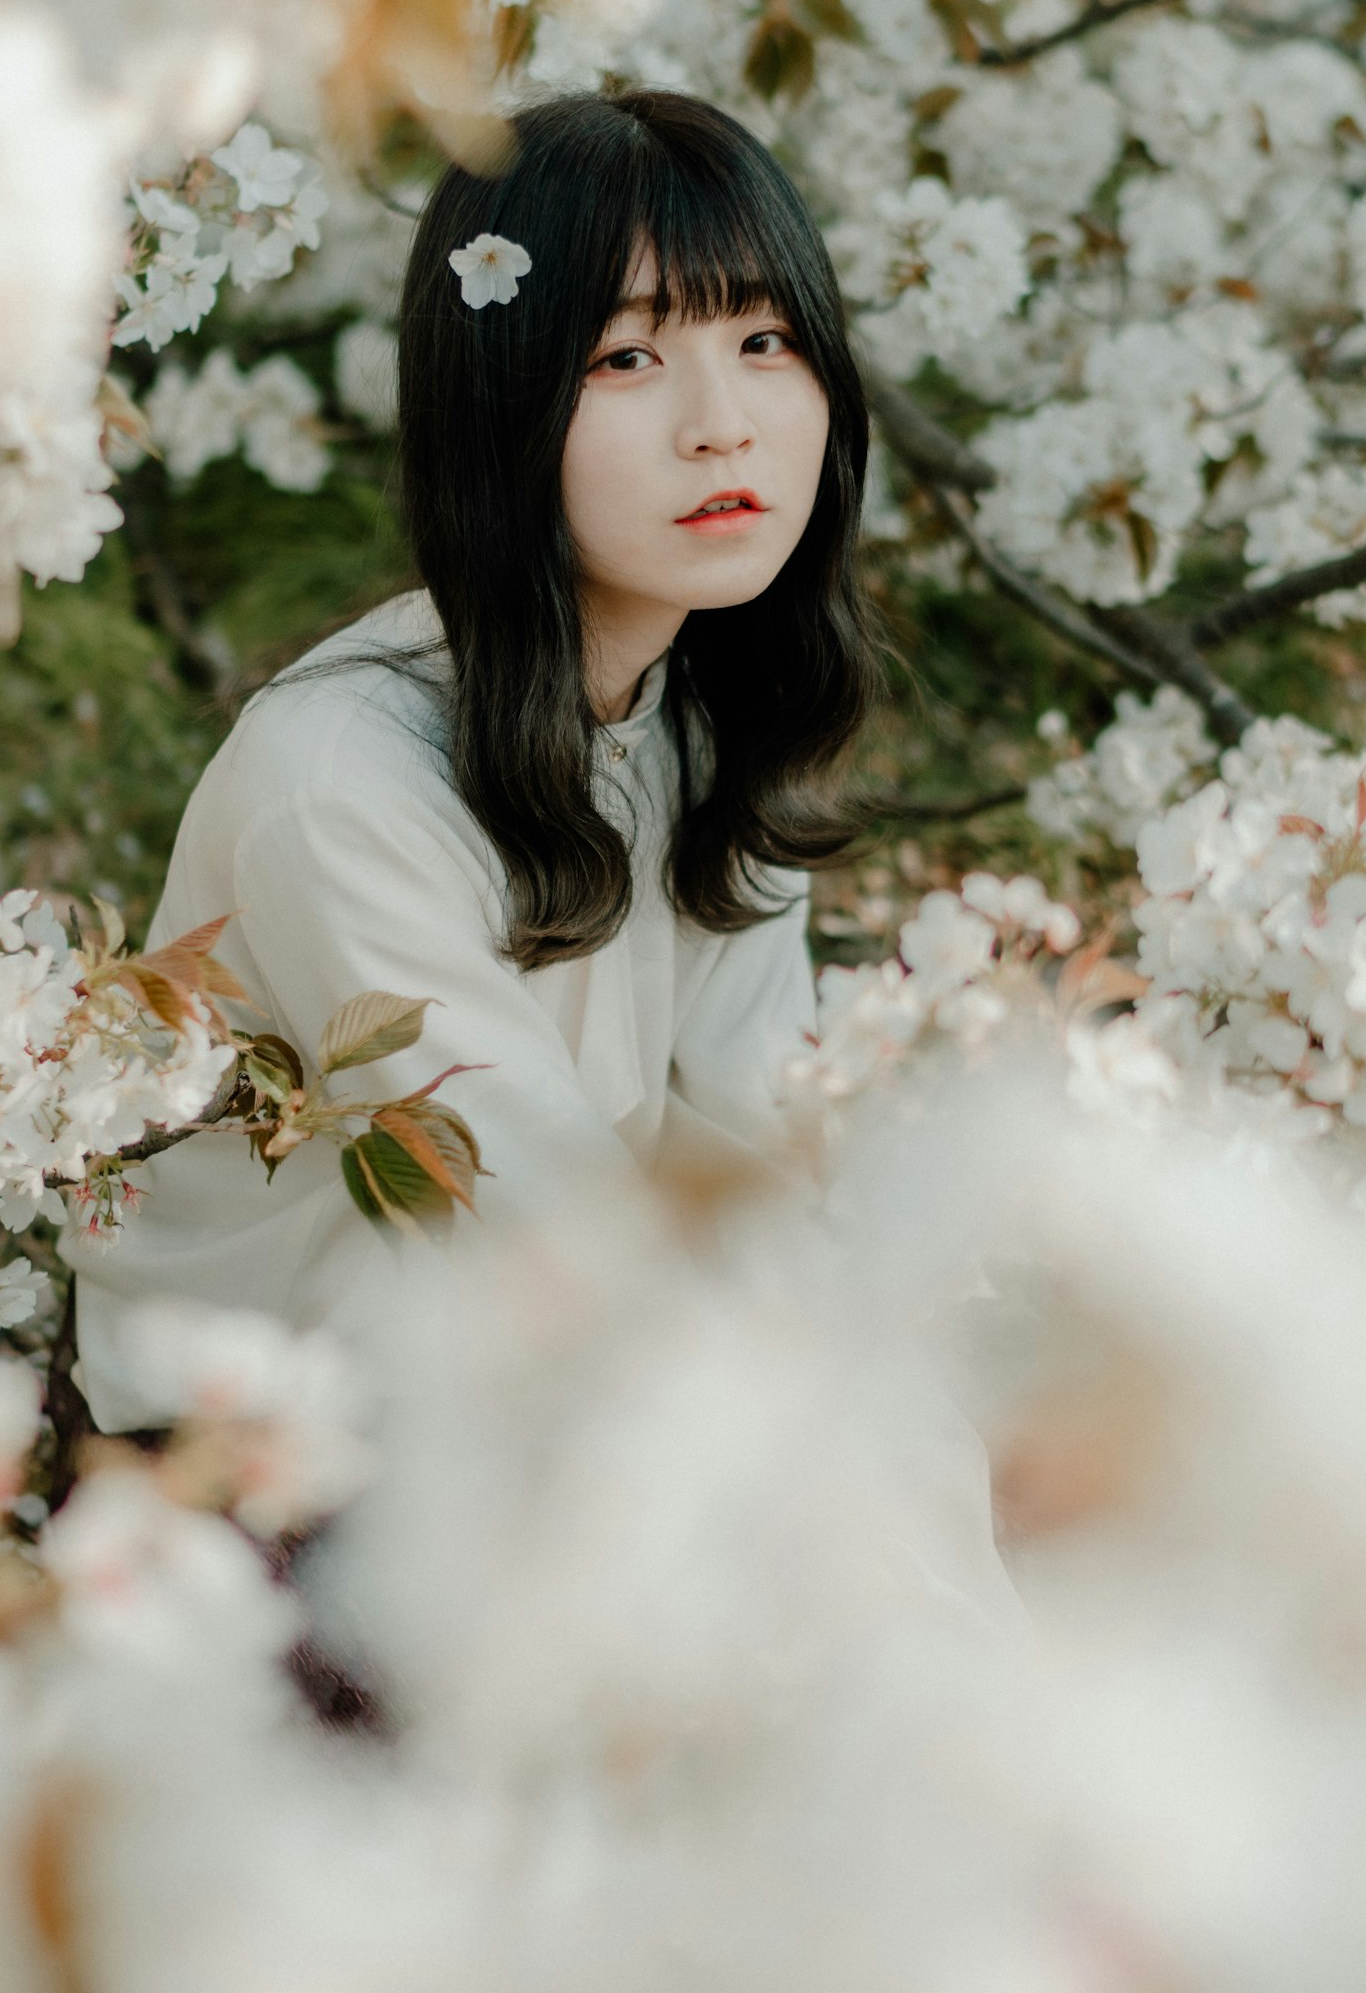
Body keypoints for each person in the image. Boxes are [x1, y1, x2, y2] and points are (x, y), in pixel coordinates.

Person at [60, 89, 876, 1431]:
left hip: (554, 1368)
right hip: (279, 1450)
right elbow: (546, 1228)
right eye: (627, 358)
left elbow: (764, 1146)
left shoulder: (701, 706)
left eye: (764, 337)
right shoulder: (339, 788)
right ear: (503, 403)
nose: (721, 421)